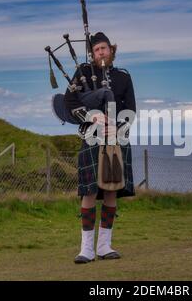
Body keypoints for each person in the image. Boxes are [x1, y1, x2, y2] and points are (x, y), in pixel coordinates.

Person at [64, 32, 136, 264]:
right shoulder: (83, 74)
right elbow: (70, 102)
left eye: (104, 48)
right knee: (89, 191)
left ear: (111, 50)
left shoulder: (123, 77)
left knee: (112, 188)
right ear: (92, 53)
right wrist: (93, 118)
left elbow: (131, 109)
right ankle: (87, 249)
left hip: (117, 139)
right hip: (92, 138)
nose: (101, 52)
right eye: (97, 50)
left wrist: (117, 127)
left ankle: (105, 246)